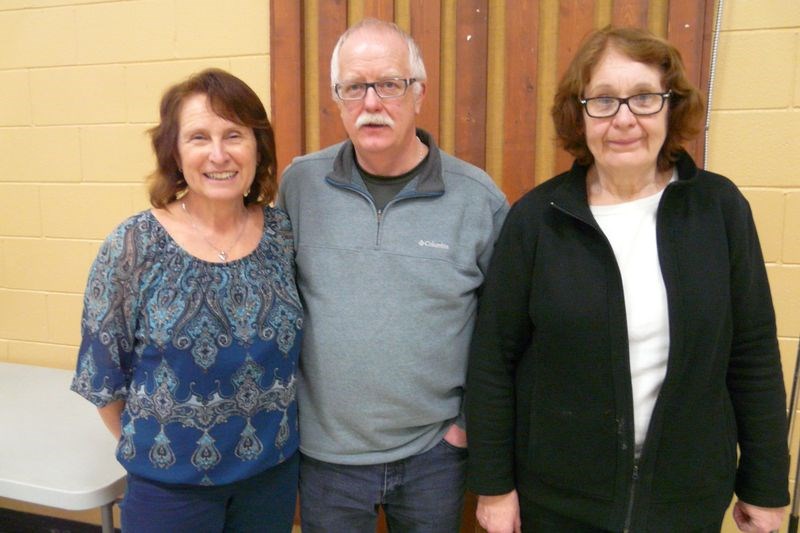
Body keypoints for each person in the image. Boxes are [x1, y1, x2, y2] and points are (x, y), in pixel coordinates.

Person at [466, 26, 789, 533]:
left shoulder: (719, 210)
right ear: (581, 113)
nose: (624, 119)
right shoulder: (537, 219)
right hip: (558, 501)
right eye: (603, 100)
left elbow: (752, 353)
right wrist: (493, 486)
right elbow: (492, 361)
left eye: (643, 98)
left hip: (686, 500)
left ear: (671, 106)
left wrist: (766, 485)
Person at [277, 18, 508, 533]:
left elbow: (504, 335)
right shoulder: (300, 186)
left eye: (389, 84)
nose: (372, 103)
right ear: (338, 98)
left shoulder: (478, 200)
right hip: (326, 458)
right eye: (354, 88)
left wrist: (463, 429)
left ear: (419, 92)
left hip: (434, 455)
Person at [70, 68, 303, 533]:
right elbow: (103, 376)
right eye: (199, 137)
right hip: (169, 492)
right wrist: (166, 460)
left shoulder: (282, 233)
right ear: (175, 152)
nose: (219, 154)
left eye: (234, 134)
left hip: (271, 479)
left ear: (258, 147)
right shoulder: (133, 246)